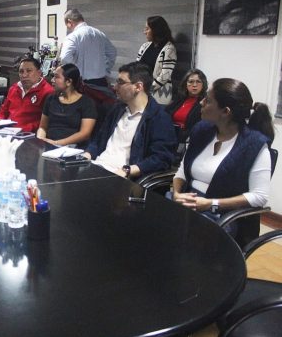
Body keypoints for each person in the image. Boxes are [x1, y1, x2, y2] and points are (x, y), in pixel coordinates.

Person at [172, 78, 274, 222]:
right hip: (186, 205)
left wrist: (211, 204)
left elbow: (259, 196)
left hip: (220, 216)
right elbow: (183, 169)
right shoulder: (201, 130)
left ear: (226, 111)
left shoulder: (255, 145)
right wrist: (176, 193)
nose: (201, 102)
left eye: (208, 100)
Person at [84, 62, 177, 179]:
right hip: (97, 167)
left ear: (138, 87)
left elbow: (161, 158)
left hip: (122, 176)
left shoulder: (159, 118)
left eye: (120, 82)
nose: (115, 87)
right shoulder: (117, 109)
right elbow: (98, 141)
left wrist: (128, 170)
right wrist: (86, 155)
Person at [37, 63, 97, 147]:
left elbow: (85, 133)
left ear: (68, 82)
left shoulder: (87, 103)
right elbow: (43, 127)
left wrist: (57, 143)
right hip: (48, 144)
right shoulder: (50, 99)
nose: (52, 80)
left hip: (72, 147)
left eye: (56, 77)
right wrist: (40, 140)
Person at [59, 8, 117, 87]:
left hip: (83, 83)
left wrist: (74, 72)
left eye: (67, 26)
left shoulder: (72, 37)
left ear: (69, 22)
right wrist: (106, 69)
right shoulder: (99, 34)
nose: (68, 29)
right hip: (101, 81)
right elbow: (112, 52)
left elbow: (65, 58)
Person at [0, 57, 54, 132]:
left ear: (39, 73)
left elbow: (46, 122)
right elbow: (3, 111)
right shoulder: (14, 88)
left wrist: (22, 129)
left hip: (28, 134)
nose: (24, 75)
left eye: (29, 71)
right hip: (6, 130)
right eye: (21, 71)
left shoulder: (48, 92)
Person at [136, 16, 177, 104]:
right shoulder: (145, 46)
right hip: (141, 92)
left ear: (156, 30)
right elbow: (136, 67)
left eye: (147, 29)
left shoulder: (169, 49)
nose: (144, 32)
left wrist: (147, 89)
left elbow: (164, 76)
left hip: (159, 96)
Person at [165, 69, 208, 143]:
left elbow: (196, 126)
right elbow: (165, 114)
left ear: (203, 84)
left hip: (185, 141)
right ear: (186, 84)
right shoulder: (180, 99)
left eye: (198, 81)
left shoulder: (205, 103)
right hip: (169, 135)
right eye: (191, 82)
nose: (194, 85)